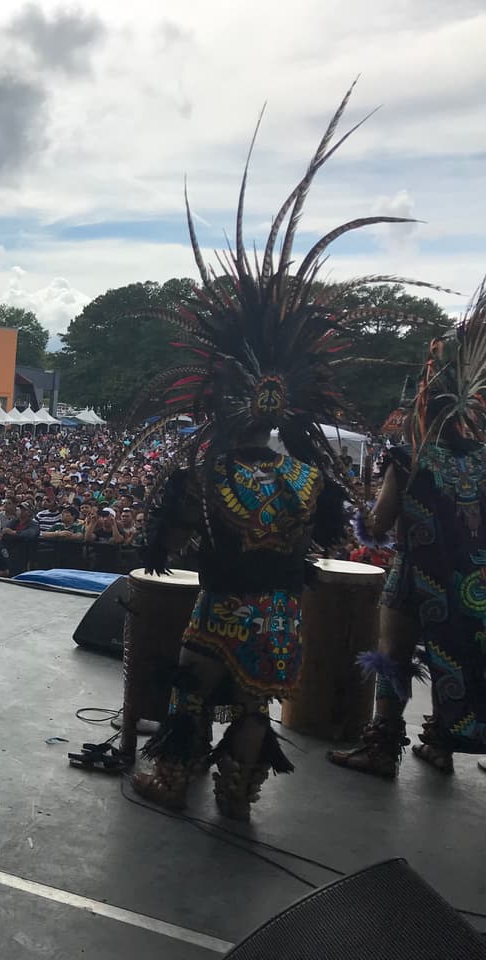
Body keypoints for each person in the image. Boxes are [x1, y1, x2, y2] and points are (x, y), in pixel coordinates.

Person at [123, 90, 414, 821]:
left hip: (220, 611)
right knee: (256, 705)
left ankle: (177, 772)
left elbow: (161, 549)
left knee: (194, 688)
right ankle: (238, 793)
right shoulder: (313, 478)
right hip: (283, 618)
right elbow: (326, 543)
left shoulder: (208, 473)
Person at [329, 301, 486, 777]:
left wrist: (357, 509)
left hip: (414, 578)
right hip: (471, 585)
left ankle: (381, 748)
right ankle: (439, 744)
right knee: (455, 654)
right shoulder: (481, 460)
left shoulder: (410, 456)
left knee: (394, 658)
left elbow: (377, 528)